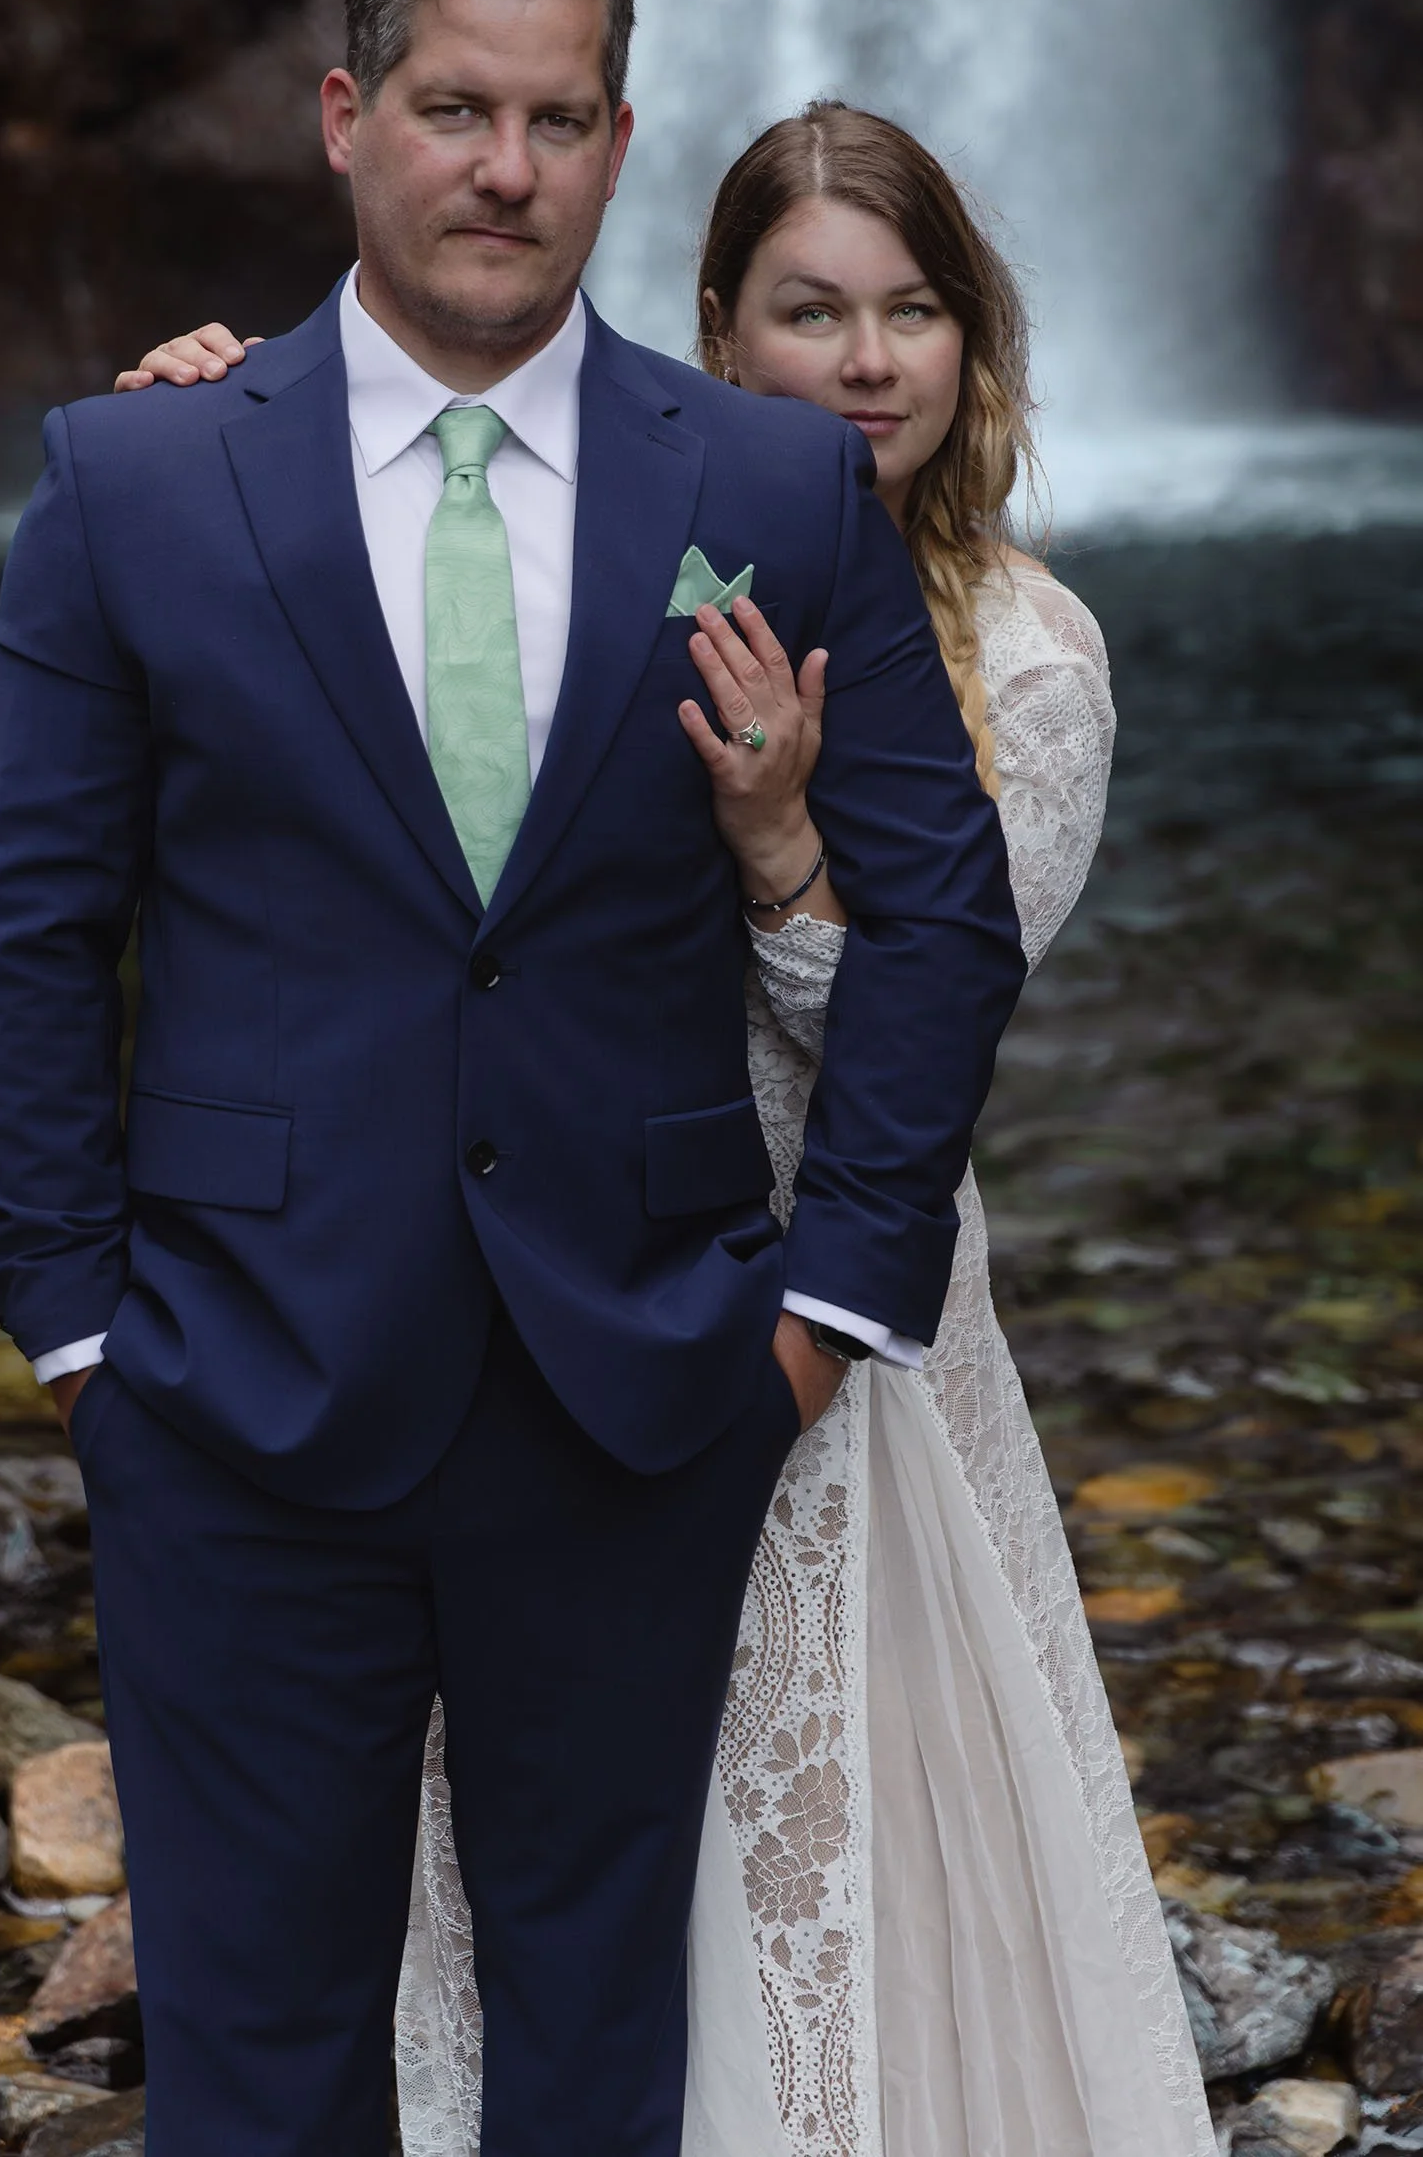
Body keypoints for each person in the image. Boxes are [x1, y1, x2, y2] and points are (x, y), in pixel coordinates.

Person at [0, 0, 1024, 2157]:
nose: (505, 168)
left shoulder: (766, 479)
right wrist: (75, 1334)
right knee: (254, 2063)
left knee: (593, 2061)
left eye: (556, 119)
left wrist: (823, 1310)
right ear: (348, 117)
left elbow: (941, 917)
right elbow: (25, 929)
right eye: (455, 109)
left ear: (619, 144)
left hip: (643, 1394)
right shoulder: (135, 478)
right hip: (228, 1395)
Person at [118, 104, 1217, 2156]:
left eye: (913, 311)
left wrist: (782, 846)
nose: (866, 361)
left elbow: (928, 1028)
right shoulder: (615, 541)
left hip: (810, 1313)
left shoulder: (1025, 652)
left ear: (974, 344)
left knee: (810, 1828)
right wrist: (238, 418)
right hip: (526, 1301)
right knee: (525, 1854)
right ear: (720, 334)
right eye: (811, 311)